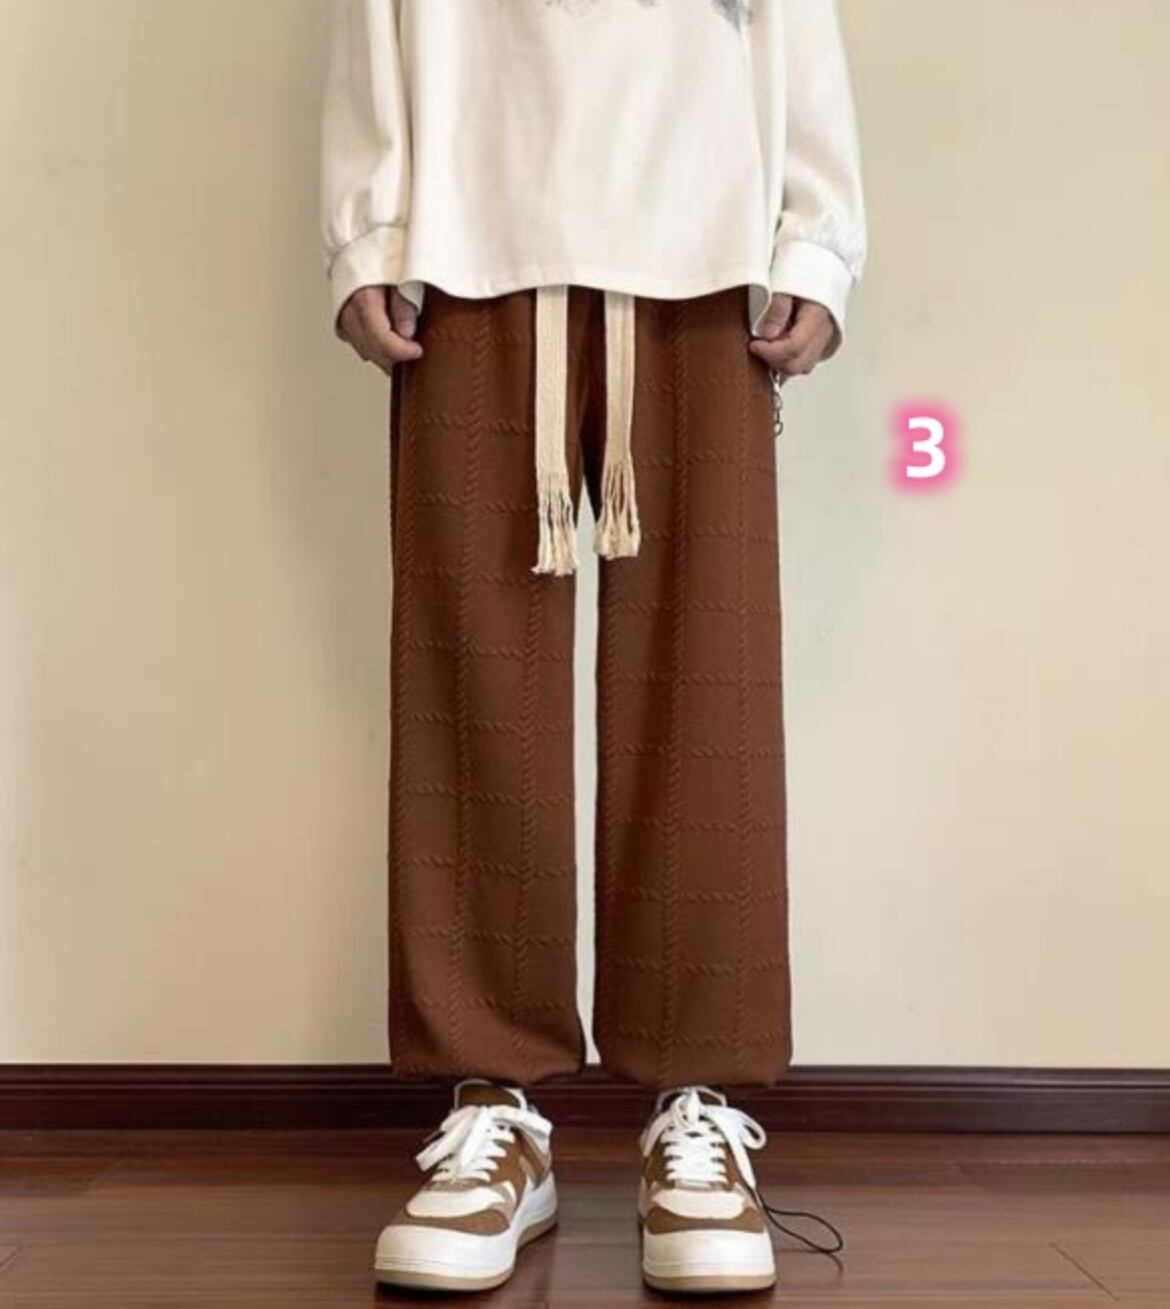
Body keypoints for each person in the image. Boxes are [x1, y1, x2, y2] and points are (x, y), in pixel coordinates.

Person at [320, 0, 866, 1293]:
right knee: (468, 684)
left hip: (705, 234)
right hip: (466, 228)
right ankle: (494, 1104)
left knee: (707, 693)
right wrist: (366, 229)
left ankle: (698, 1104)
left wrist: (817, 231)